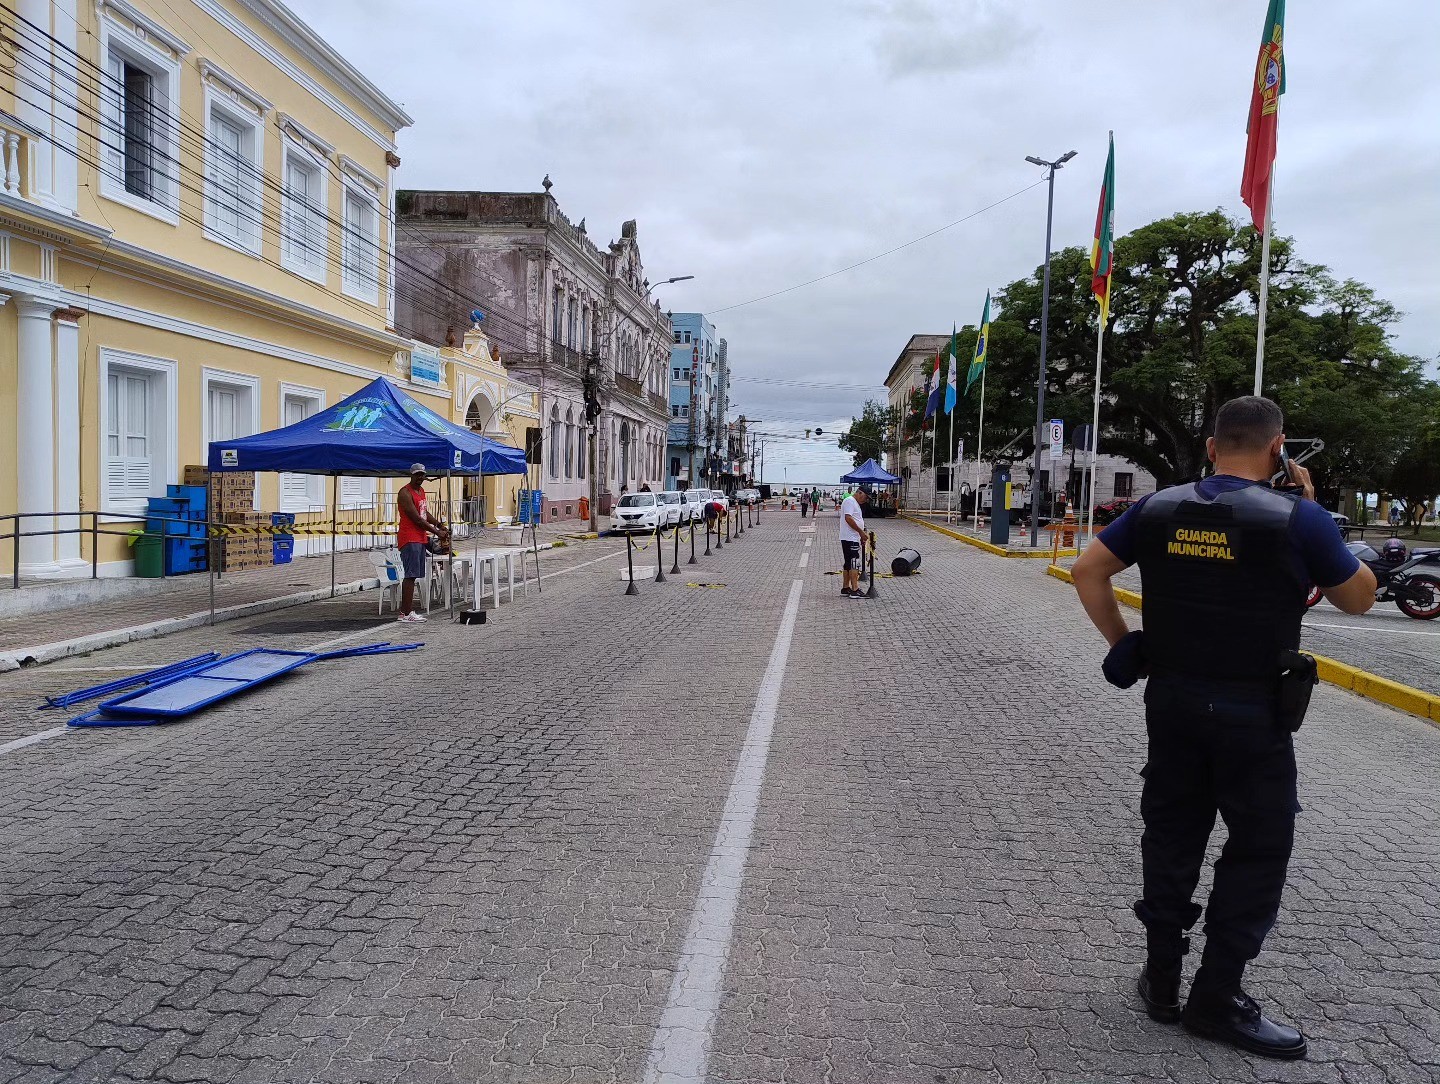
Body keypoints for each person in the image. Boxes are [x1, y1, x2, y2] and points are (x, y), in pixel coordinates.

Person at [1070, 396, 1376, 1059]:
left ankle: (1161, 980)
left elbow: (1087, 571)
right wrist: (1311, 507)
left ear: (1211, 448)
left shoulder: (1158, 508)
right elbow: (1359, 598)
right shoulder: (1298, 518)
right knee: (1258, 849)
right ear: (1278, 449)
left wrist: (1128, 646)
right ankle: (1216, 997)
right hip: (1253, 714)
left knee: (1172, 834)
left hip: (1173, 702)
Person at [395, 464, 449, 624]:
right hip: (410, 538)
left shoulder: (421, 491)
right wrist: (436, 532)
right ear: (411, 475)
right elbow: (417, 519)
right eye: (417, 474)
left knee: (414, 575)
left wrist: (439, 524)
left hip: (420, 538)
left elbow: (424, 514)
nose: (420, 477)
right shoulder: (405, 493)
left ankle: (406, 612)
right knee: (410, 575)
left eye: (422, 475)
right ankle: (405, 613)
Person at [839, 487, 869, 597]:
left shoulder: (854, 503)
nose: (865, 500)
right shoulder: (850, 501)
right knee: (854, 562)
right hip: (850, 538)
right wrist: (860, 532)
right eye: (865, 497)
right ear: (860, 493)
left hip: (852, 537)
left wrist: (860, 534)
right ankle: (855, 589)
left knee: (848, 562)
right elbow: (848, 518)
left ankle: (845, 587)